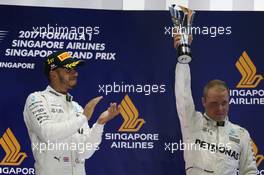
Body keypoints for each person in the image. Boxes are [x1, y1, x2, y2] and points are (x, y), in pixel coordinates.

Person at [23, 51, 120, 175]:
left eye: (75, 69)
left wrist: (99, 124)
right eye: (69, 70)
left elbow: (84, 152)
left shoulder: (77, 107)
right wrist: (83, 118)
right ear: (53, 74)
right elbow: (47, 133)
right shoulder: (37, 99)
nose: (75, 73)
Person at [173, 35, 258, 174]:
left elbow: (249, 171)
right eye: (214, 104)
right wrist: (183, 59)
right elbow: (183, 94)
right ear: (203, 102)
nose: (220, 108)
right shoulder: (192, 122)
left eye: (224, 103)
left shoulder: (241, 134)